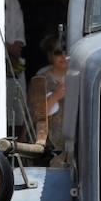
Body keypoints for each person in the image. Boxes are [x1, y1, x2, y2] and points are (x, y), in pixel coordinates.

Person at [28, 33, 68, 163]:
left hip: (76, 146)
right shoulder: (40, 80)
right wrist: (56, 96)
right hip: (49, 148)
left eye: (66, 52)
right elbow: (34, 115)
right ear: (50, 55)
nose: (63, 56)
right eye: (57, 52)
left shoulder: (80, 76)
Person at [5, 0, 29, 137]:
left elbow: (20, 29)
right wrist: (6, 47)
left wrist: (15, 47)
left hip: (14, 60)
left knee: (18, 107)